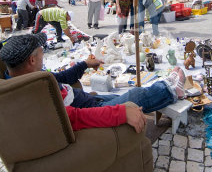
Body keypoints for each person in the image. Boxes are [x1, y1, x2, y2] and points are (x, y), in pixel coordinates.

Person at [0, 33, 186, 132]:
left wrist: (83, 65)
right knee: (135, 95)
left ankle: (166, 88)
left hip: (88, 100)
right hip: (89, 110)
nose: (43, 54)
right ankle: (170, 89)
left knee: (130, 95)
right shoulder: (32, 93)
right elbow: (75, 118)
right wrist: (121, 113)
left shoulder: (23, 78)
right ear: (32, 60)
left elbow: (60, 79)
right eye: (41, 51)